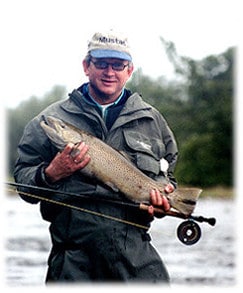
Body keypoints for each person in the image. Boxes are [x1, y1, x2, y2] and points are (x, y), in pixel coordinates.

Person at [14, 30, 178, 283]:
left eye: (117, 65)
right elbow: (23, 183)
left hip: (135, 257)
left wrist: (164, 201)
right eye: (101, 64)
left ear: (130, 70)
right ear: (86, 66)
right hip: (72, 260)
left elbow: (167, 175)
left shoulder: (152, 121)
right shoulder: (50, 120)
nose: (109, 72)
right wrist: (51, 173)